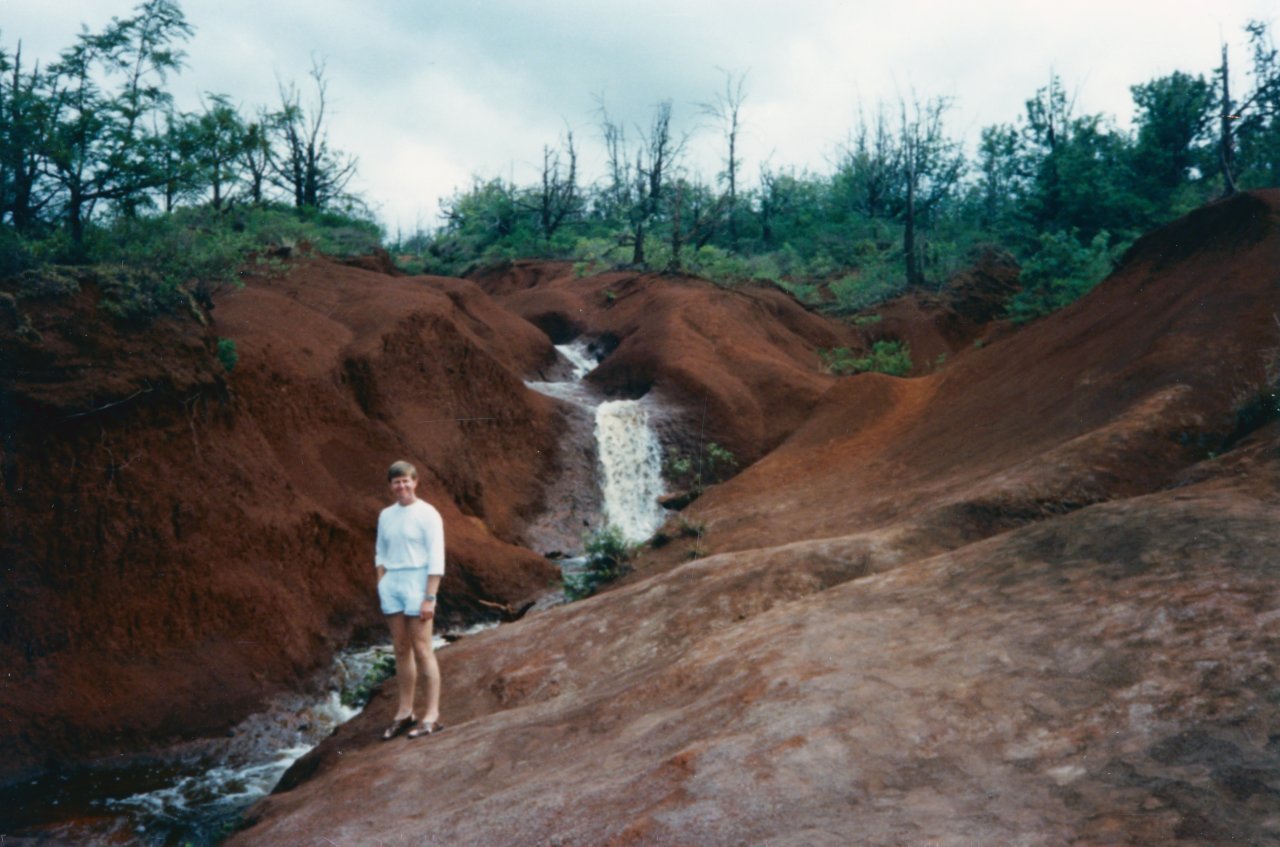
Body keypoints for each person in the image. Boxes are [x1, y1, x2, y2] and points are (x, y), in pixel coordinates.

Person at [375, 460, 445, 740]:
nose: (401, 486)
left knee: (422, 648)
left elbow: (437, 558)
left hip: (418, 583)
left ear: (415, 482)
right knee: (401, 648)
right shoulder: (385, 515)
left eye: (406, 481)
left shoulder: (428, 514)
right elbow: (380, 552)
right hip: (393, 582)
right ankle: (405, 713)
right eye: (396, 482)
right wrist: (382, 583)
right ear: (391, 486)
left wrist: (430, 597)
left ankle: (431, 715)